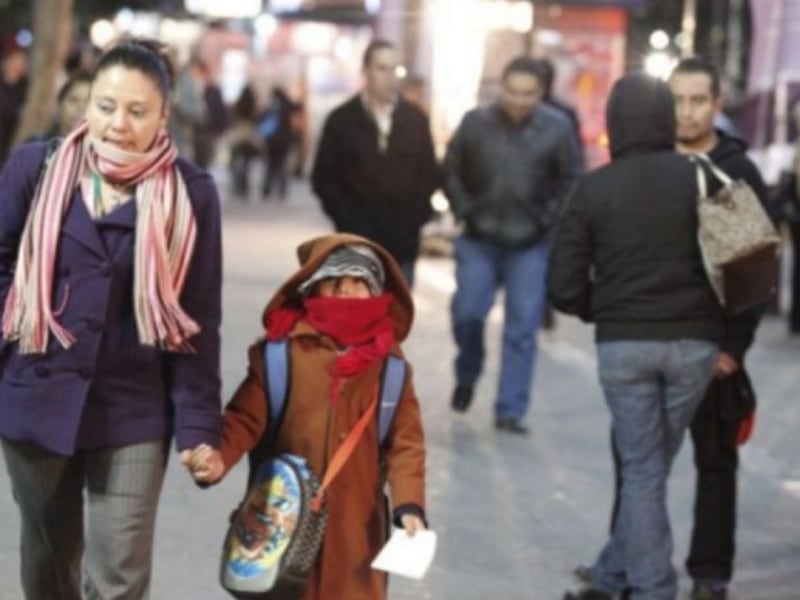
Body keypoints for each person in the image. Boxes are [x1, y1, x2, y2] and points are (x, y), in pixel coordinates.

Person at [0, 38, 223, 599]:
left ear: (164, 114)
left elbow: (197, 317)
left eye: (137, 111)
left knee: (118, 578)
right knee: (48, 566)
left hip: (132, 410)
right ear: (87, 103)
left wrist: (199, 426)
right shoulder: (36, 167)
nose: (117, 124)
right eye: (105, 106)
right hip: (39, 397)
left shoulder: (190, 195)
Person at [548, 72, 724, 600]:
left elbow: (561, 284)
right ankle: (611, 574)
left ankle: (651, 588)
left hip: (623, 346)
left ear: (615, 123)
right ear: (668, 117)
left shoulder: (593, 187)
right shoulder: (702, 176)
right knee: (651, 466)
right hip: (696, 345)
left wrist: (598, 309)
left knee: (643, 469)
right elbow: (749, 261)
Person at [187, 232, 426, 600]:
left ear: (377, 293)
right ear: (311, 291)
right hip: (282, 532)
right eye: (332, 284)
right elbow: (244, 418)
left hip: (357, 542)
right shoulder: (279, 355)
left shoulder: (390, 368)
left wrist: (410, 505)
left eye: (357, 284)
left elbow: (406, 443)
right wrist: (218, 458)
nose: (343, 293)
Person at [443, 55, 580, 433]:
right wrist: (464, 208)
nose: (519, 100)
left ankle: (510, 409)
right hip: (479, 237)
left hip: (530, 244)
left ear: (540, 94)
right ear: (500, 88)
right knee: (468, 312)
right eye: (513, 91)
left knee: (522, 328)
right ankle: (468, 371)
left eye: (528, 94)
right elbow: (451, 168)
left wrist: (547, 220)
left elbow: (571, 179)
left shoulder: (557, 128)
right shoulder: (476, 123)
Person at [311, 38, 440, 288]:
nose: (390, 76)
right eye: (382, 68)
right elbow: (323, 177)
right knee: (356, 316)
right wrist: (345, 218)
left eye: (396, 69)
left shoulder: (414, 120)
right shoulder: (341, 120)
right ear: (366, 71)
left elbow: (429, 174)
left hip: (401, 244)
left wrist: (416, 218)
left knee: (394, 321)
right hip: (354, 242)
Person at [0, 45, 29, 166]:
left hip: (9, 140)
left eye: (23, 61)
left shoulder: (25, 87)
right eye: (16, 59)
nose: (19, 64)